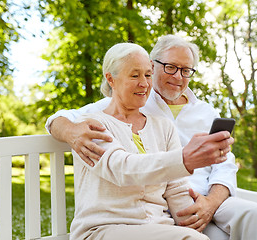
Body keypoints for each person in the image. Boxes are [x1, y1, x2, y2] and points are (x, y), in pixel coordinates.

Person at [46, 35, 257, 240]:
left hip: (200, 201)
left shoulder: (200, 113)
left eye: (186, 70)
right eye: (170, 67)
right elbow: (119, 162)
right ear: (155, 64)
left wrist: (210, 203)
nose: (178, 76)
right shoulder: (111, 112)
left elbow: (222, 165)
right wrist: (70, 130)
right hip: (147, 215)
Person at [66, 42, 234, 240]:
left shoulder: (163, 127)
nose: (144, 84)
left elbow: (176, 189)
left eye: (147, 75)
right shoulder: (92, 125)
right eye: (134, 75)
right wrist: (184, 159)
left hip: (158, 227)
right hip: (103, 229)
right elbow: (123, 169)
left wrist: (193, 219)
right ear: (111, 79)